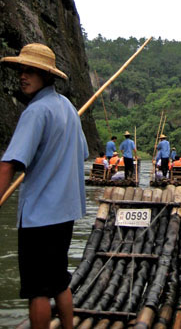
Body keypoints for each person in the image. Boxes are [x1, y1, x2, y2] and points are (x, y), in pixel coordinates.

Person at [0, 43, 88, 329]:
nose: (22, 76)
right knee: (59, 281)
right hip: (65, 213)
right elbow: (82, 153)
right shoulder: (68, 108)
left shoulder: (36, 112)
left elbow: (8, 165)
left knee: (37, 290)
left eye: (31, 71)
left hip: (39, 215)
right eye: (21, 70)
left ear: (46, 75)